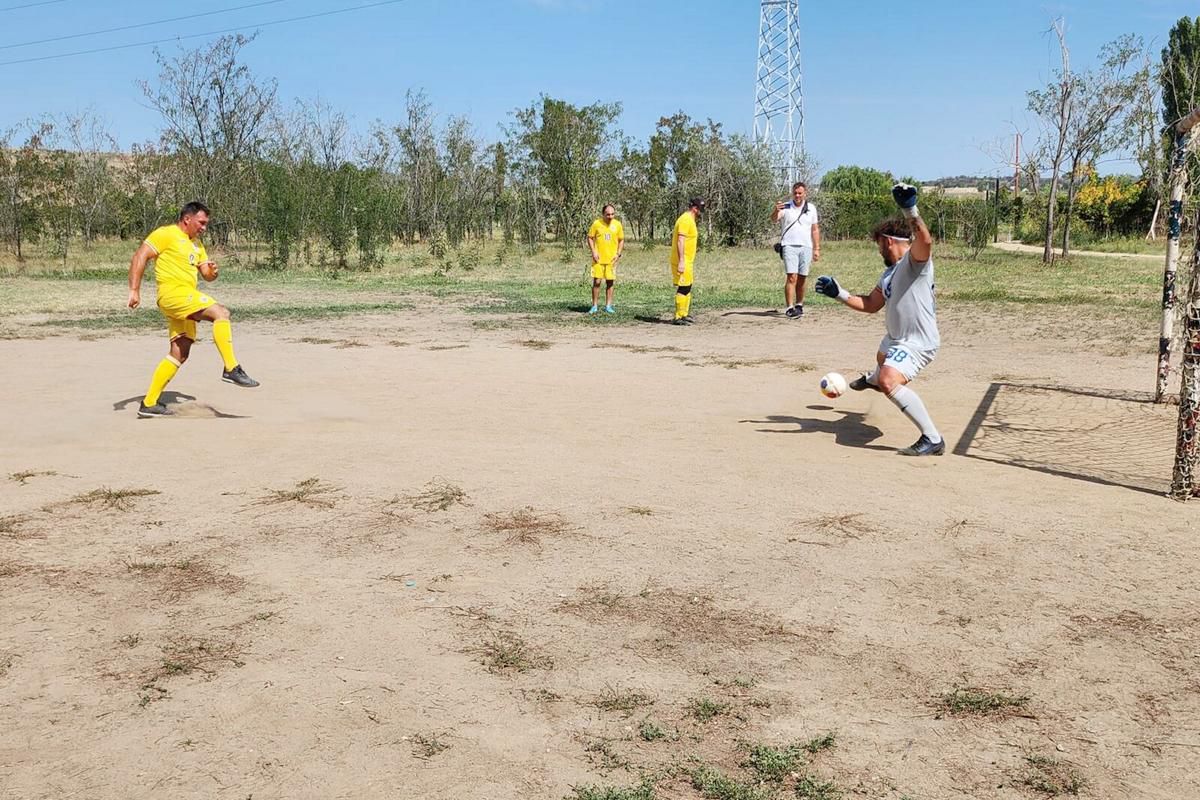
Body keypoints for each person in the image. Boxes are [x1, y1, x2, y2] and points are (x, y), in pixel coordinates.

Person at [814, 183, 944, 456]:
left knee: (888, 381)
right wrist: (839, 294)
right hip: (897, 338)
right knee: (882, 354)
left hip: (917, 342)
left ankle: (932, 438)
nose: (879, 251)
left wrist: (910, 208)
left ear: (888, 241)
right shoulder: (888, 275)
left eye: (879, 246)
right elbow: (872, 304)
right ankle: (872, 378)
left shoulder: (914, 263)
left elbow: (926, 241)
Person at [127, 202, 259, 418]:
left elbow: (206, 274)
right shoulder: (166, 234)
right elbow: (140, 256)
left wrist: (212, 272)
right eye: (201, 222)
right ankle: (231, 368)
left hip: (184, 298)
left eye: (206, 224)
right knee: (221, 312)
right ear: (187, 219)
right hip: (172, 294)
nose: (204, 228)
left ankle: (149, 403)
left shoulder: (197, 245)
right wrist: (134, 290)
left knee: (180, 351)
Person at [771, 181, 820, 318]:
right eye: (795, 193)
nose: (797, 196)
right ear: (792, 193)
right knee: (792, 276)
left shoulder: (811, 208)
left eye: (800, 193)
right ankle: (789, 307)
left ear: (805, 193)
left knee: (803, 278)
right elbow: (774, 219)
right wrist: (776, 210)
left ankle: (799, 304)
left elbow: (815, 229)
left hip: (806, 246)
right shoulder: (785, 206)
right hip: (789, 245)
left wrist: (816, 248)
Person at [670, 197, 704, 325]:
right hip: (682, 260)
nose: (700, 211)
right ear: (694, 208)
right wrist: (681, 261)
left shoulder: (691, 220)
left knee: (688, 286)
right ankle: (678, 316)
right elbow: (680, 241)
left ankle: (684, 313)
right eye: (699, 209)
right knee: (683, 287)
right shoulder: (685, 220)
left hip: (689, 260)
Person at [586, 204, 624, 314]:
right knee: (597, 282)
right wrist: (593, 251)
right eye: (608, 214)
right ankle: (594, 306)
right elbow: (590, 237)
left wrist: (618, 254)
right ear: (603, 214)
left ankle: (608, 306)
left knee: (610, 282)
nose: (610, 216)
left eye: (612, 214)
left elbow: (621, 240)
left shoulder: (617, 225)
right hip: (598, 259)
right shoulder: (596, 224)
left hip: (611, 259)